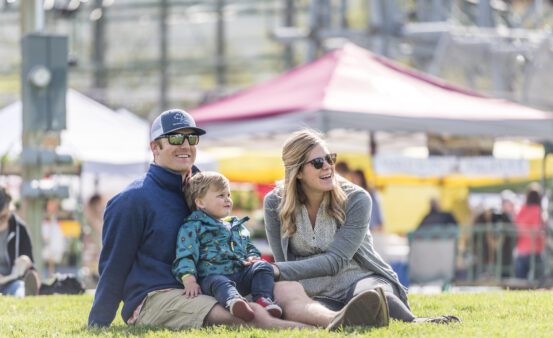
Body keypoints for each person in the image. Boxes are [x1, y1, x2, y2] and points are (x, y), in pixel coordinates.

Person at [88, 109, 389, 330]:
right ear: (155, 147)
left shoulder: (202, 189)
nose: (185, 145)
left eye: (191, 137)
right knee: (239, 312)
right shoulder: (131, 201)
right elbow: (113, 267)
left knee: (286, 289)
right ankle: (312, 332)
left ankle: (338, 319)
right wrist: (98, 323)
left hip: (213, 282)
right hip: (158, 296)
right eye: (174, 138)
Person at [264, 129, 460, 324]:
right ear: (297, 172)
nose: (328, 167)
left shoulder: (357, 198)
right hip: (312, 293)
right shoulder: (274, 203)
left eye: (329, 159)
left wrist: (276, 269)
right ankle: (340, 318)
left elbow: (335, 261)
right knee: (296, 300)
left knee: (373, 293)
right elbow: (284, 265)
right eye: (317, 163)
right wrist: (278, 271)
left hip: (358, 278)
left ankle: (416, 322)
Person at [173, 171, 282, 322]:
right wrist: (189, 279)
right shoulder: (193, 226)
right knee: (219, 282)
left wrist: (252, 256)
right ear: (200, 202)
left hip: (240, 273)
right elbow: (186, 254)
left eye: (228, 195)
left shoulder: (234, 224)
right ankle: (235, 302)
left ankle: (263, 300)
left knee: (263, 266)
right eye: (220, 196)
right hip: (212, 278)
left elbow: (247, 245)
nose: (227, 200)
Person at [0, 186, 40, 297]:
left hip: (12, 281)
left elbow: (31, 262)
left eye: (3, 217)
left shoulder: (19, 228)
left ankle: (26, 294)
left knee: (19, 287)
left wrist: (25, 262)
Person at [514, 183, 545, 280]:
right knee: (537, 281)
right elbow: (537, 230)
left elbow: (516, 226)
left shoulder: (522, 210)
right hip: (534, 251)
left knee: (520, 281)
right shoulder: (537, 211)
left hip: (521, 251)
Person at [42, 198, 66, 276]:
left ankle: (51, 274)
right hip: (46, 233)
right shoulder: (43, 214)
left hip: (54, 234)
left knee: (53, 255)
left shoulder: (58, 213)